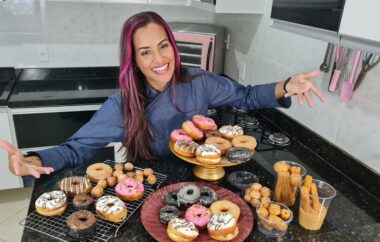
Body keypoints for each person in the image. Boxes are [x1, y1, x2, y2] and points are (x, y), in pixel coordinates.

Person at [0, 11, 325, 179]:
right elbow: (74, 150)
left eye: (163, 46)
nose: (159, 60)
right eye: (145, 52)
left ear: (173, 45)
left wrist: (286, 86)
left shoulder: (200, 82)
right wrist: (33, 160)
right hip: (148, 187)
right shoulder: (123, 106)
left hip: (206, 178)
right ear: (135, 61)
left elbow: (248, 96)